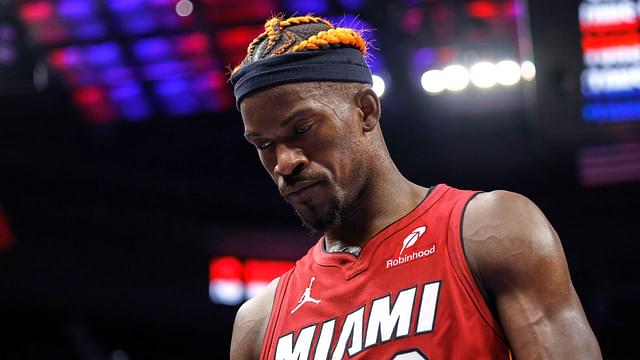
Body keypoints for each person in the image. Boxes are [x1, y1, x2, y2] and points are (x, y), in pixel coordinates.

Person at [229, 15, 602, 360]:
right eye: (264, 145)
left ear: (366, 111)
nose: (284, 163)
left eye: (302, 129)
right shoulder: (258, 324)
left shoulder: (489, 231)